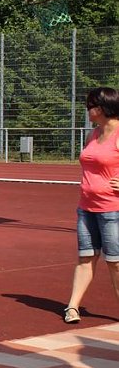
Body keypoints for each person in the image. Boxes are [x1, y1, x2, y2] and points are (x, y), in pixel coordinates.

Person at [64, 86, 119, 324]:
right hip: (86, 207)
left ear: (103, 107)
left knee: (115, 262)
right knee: (85, 257)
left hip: (112, 209)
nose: (87, 110)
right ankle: (72, 307)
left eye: (90, 106)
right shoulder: (93, 135)